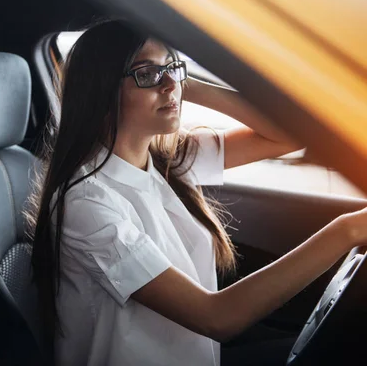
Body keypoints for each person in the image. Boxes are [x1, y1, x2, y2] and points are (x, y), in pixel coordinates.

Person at [27, 20, 367, 366]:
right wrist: (347, 231)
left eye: (172, 68)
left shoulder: (168, 159)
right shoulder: (86, 203)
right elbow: (215, 317)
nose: (169, 83)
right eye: (146, 73)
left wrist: (182, 84)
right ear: (100, 90)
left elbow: (288, 136)